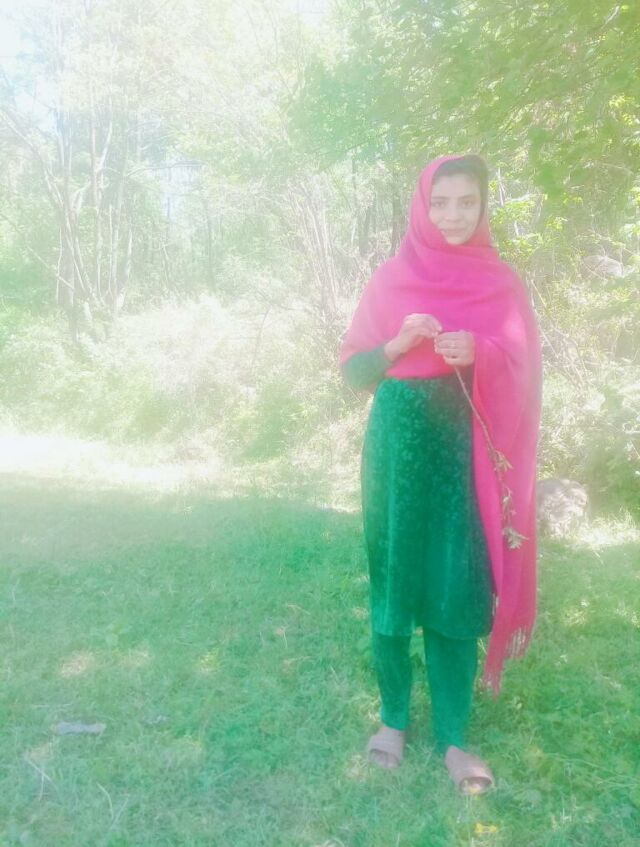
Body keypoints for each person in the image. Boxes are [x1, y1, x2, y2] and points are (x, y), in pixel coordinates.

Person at [339, 154, 541, 794]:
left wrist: (481, 351)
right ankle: (393, 720)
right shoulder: (391, 279)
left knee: (457, 581)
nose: (453, 215)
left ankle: (454, 736)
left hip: (464, 453)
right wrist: (397, 345)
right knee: (395, 578)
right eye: (441, 202)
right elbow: (352, 373)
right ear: (422, 207)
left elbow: (526, 371)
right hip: (396, 451)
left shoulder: (500, 283)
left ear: (483, 208)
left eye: (467, 202)